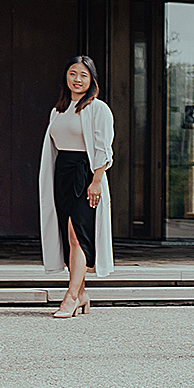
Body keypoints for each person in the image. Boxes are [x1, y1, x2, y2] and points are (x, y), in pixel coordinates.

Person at [37, 55, 115, 317]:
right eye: (73, 73)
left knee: (77, 234)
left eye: (83, 75)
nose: (77, 79)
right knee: (68, 236)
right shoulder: (57, 110)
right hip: (63, 175)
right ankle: (81, 293)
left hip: (87, 175)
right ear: (66, 77)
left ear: (91, 79)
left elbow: (104, 149)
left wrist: (96, 181)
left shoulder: (98, 108)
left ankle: (70, 297)